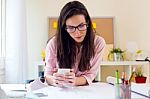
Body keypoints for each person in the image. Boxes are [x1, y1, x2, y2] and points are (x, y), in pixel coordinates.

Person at [44, 1, 106, 87]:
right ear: (64, 28)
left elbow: (90, 75)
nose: (77, 33)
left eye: (81, 26)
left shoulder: (98, 43)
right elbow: (47, 75)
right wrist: (54, 80)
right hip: (60, 91)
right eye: (71, 27)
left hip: (84, 91)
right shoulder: (53, 44)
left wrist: (75, 81)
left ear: (87, 23)